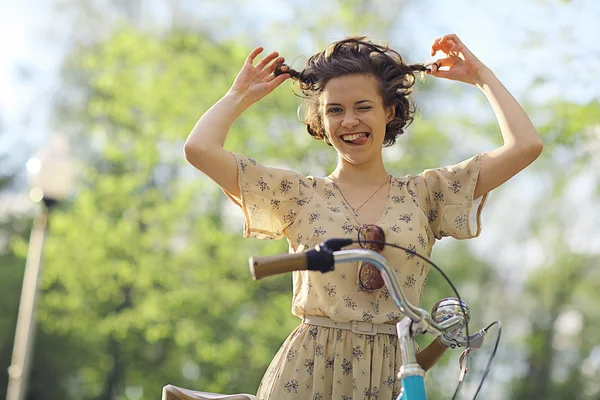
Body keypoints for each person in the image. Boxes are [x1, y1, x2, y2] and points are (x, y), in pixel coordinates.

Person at [184, 34, 543, 399]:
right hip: (307, 373)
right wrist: (238, 96)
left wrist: (481, 76)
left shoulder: (426, 194)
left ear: (389, 111)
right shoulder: (297, 195)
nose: (350, 121)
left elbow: (526, 146)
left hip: (393, 372)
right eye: (335, 110)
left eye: (363, 107)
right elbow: (199, 149)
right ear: (321, 121)